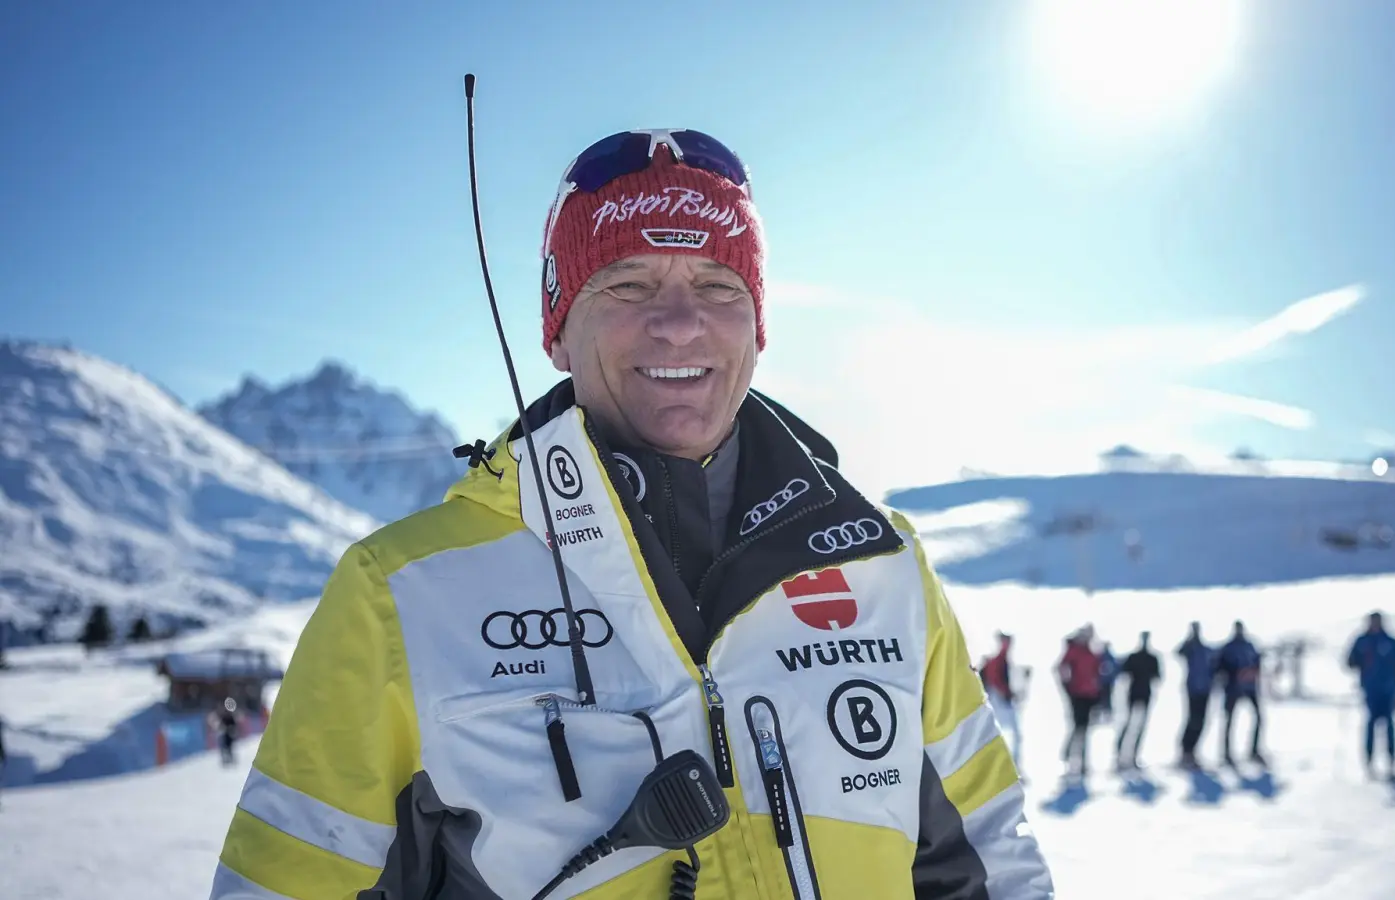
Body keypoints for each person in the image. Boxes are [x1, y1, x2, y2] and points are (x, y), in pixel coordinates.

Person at [209, 129, 1052, 900]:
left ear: (757, 327)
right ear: (557, 332)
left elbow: (990, 861)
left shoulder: (884, 563)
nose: (680, 323)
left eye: (719, 285)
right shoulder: (397, 597)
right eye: (629, 282)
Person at [1346, 610, 1395, 779]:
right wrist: (1356, 662)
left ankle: (1391, 762)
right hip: (1370, 689)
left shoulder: (1389, 641)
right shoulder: (1362, 641)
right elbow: (1350, 660)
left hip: (1389, 689)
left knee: (1389, 725)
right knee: (1371, 724)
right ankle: (1369, 761)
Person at [1216, 621, 1266, 766]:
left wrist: (1253, 672)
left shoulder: (1249, 646)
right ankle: (1226, 753)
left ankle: (1254, 750)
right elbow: (1220, 667)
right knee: (1230, 720)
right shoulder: (1228, 648)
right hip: (1233, 689)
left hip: (1250, 687)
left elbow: (1257, 662)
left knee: (1258, 718)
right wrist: (1233, 674)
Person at [980, 631, 1029, 769]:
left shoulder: (1004, 660)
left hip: (1001, 701)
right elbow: (995, 681)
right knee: (1007, 734)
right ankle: (1005, 765)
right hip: (999, 702)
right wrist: (1007, 694)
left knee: (1007, 734)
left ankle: (1007, 764)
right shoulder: (998, 660)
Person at [1057, 626, 1103, 777]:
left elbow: (1097, 672)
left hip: (1089, 695)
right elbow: (1061, 668)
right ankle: (1073, 757)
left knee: (1083, 728)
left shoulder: (1091, 652)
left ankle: (1078, 758)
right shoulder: (1074, 651)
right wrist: (1068, 687)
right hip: (1077, 695)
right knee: (1079, 727)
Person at [1115, 632, 1161, 771]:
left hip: (1144, 694)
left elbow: (1157, 676)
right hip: (1134, 693)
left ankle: (1134, 755)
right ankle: (1120, 754)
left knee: (1140, 726)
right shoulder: (1135, 657)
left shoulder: (1151, 658)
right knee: (1129, 724)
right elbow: (1124, 673)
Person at [1177, 621, 1215, 769]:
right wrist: (1188, 639)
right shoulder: (1190, 648)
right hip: (1192, 689)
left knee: (1201, 721)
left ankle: (1193, 751)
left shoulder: (1205, 649)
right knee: (1192, 720)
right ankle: (1186, 751)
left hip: (1205, 689)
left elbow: (1213, 666)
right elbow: (1179, 652)